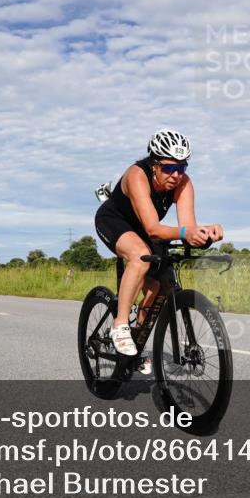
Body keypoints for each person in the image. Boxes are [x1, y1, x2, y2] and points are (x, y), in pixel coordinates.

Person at [94, 129, 223, 357]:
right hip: (114, 221)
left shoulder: (183, 184)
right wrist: (186, 232)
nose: (175, 175)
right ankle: (120, 324)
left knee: (157, 289)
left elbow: (187, 227)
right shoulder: (137, 175)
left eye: (181, 168)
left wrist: (204, 234)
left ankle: (137, 342)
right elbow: (154, 229)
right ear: (154, 164)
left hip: (145, 229)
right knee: (140, 255)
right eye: (168, 168)